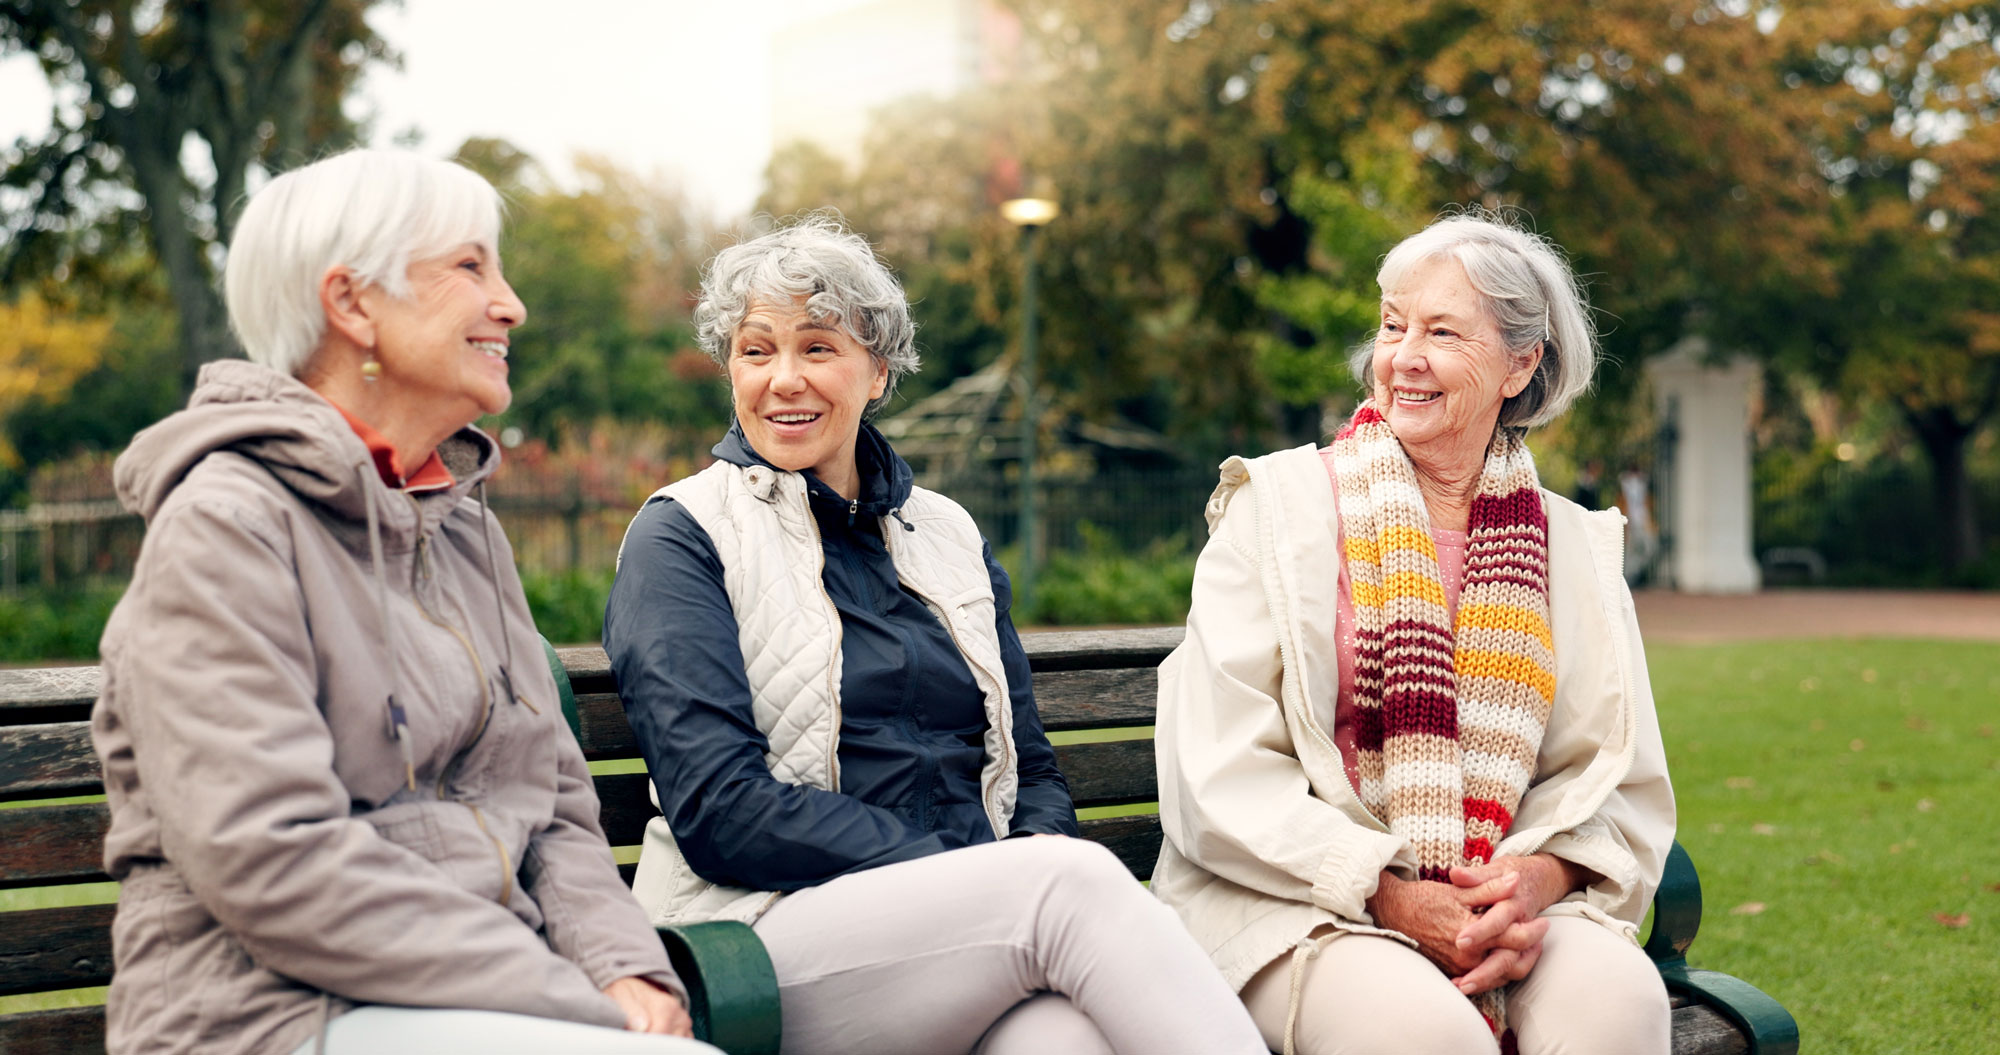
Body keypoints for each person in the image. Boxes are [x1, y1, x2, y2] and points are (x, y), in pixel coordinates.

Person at [90, 149, 714, 1055]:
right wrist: (572, 1002)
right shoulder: (227, 526)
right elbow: (274, 862)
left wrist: (625, 968)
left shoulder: (465, 530)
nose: (511, 303)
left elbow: (554, 804)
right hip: (271, 1017)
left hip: (485, 1004)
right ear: (351, 304)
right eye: (470, 266)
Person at [605, 215, 1265, 1055]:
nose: (782, 380)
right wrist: (966, 869)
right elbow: (719, 808)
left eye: (817, 347)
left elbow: (1031, 766)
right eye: (756, 350)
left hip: (969, 925)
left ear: (877, 370)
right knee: (1067, 886)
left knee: (1062, 1039)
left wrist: (1009, 859)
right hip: (752, 936)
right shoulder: (683, 533)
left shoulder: (945, 532)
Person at [1152, 211, 1676, 1055]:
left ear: (1521, 363)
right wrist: (1390, 893)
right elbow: (1218, 765)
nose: (1404, 357)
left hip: (1508, 905)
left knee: (1618, 1006)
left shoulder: (1573, 543)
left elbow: (1613, 780)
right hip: (1296, 897)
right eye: (1395, 325)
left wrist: (1530, 883)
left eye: (1441, 331)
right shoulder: (1277, 508)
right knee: (1425, 1036)